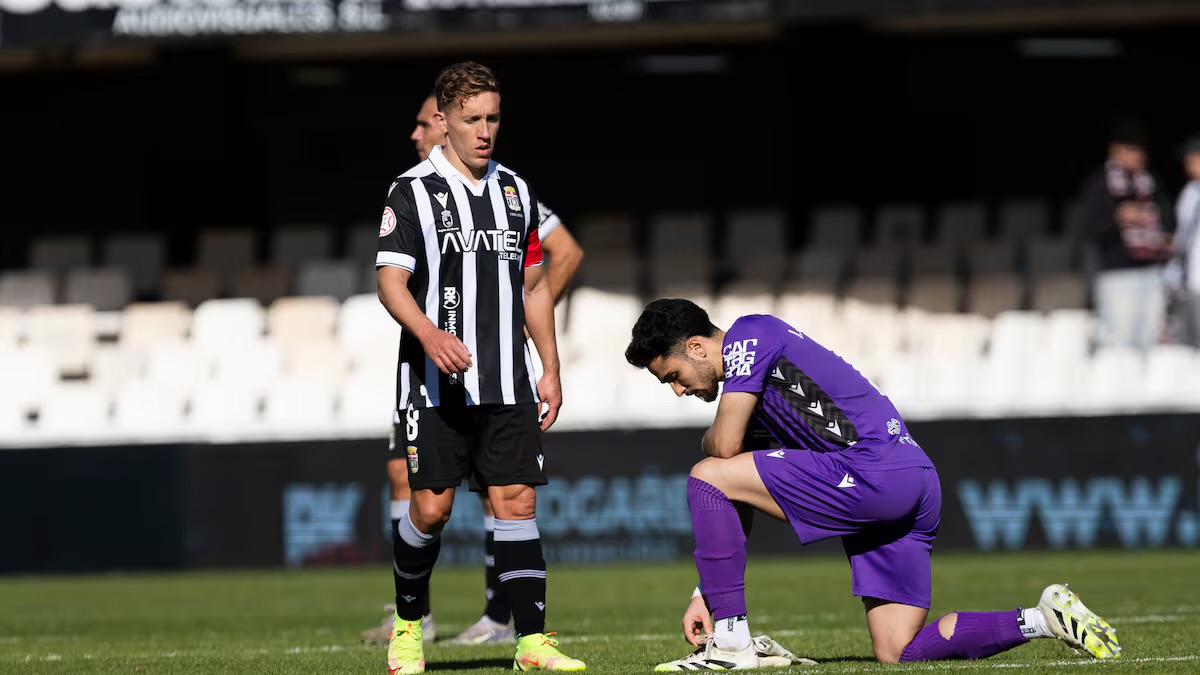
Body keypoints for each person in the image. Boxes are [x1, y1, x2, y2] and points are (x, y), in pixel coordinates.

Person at [624, 299, 1121, 670]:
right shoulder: (755, 393)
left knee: (704, 474)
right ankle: (1043, 617)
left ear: (695, 347)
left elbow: (724, 449)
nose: (678, 389)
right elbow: (737, 498)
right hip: (915, 481)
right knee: (898, 650)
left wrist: (708, 441)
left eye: (674, 375)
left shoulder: (749, 335)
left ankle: (732, 644)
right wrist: (706, 592)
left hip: (873, 471)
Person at [375, 61, 585, 673]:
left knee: (516, 502)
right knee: (432, 508)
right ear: (443, 121)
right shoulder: (409, 190)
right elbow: (391, 282)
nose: (485, 130)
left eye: (493, 117)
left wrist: (549, 366)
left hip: (507, 379)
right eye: (472, 119)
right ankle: (409, 627)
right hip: (434, 383)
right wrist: (428, 333)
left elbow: (536, 286)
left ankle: (532, 643)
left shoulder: (517, 191)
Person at [1082, 119, 1174, 352]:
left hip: (1152, 270)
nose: (1138, 156)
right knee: (1119, 339)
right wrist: (1119, 216)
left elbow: (1166, 218)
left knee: (1151, 337)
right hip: (1117, 272)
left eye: (1140, 151)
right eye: (1132, 150)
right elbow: (1090, 226)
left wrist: (1165, 236)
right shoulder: (1101, 183)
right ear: (1116, 151)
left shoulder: (1150, 182)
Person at [1166, 134, 1200, 347]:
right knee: (1184, 348)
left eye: (1193, 158)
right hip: (1185, 283)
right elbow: (1183, 235)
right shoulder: (1189, 193)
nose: (1188, 164)